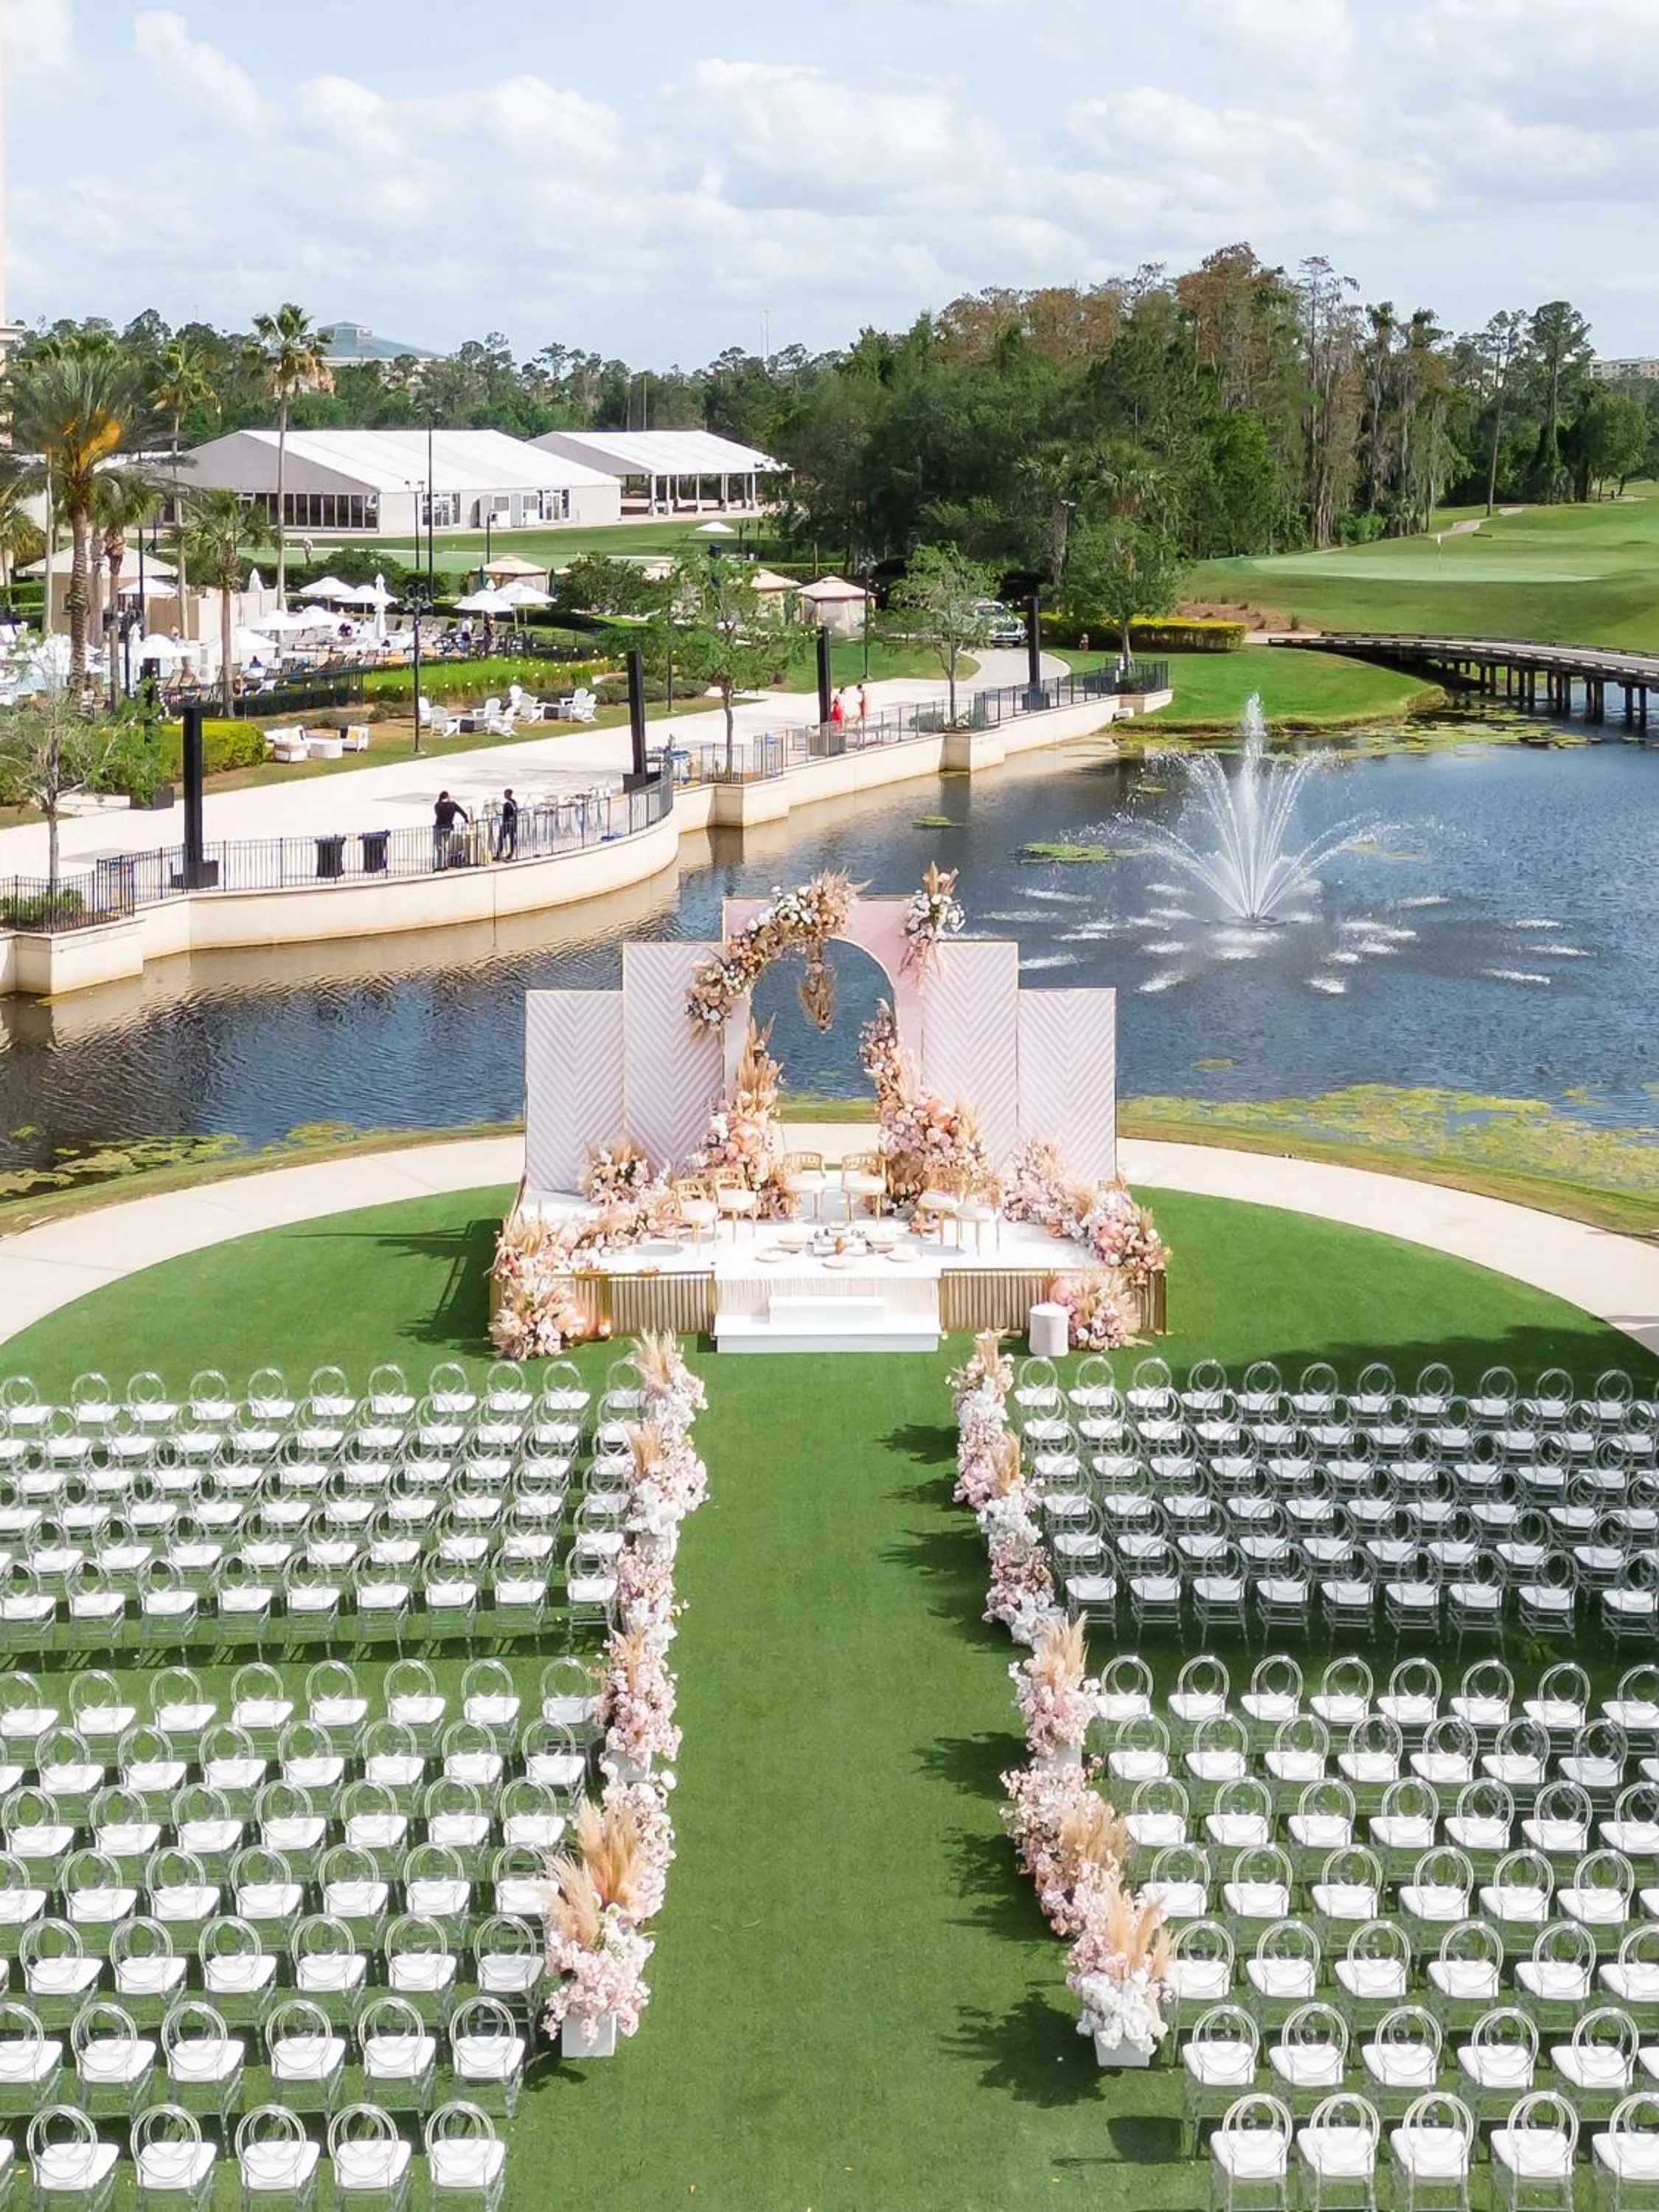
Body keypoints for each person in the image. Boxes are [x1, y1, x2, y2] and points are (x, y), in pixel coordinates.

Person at [433, 788, 469, 869]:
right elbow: (463, 812)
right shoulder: (453, 805)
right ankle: (445, 864)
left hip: (439, 827)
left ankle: (440, 865)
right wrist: (466, 819)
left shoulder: (438, 805)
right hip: (449, 827)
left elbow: (437, 813)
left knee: (439, 847)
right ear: (448, 797)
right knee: (446, 846)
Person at [495, 786, 519, 861]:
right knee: (511, 839)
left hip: (507, 824)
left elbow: (507, 814)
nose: (504, 795)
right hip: (513, 824)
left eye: (505, 793)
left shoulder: (507, 804)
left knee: (501, 838)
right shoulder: (514, 803)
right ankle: (511, 853)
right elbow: (515, 813)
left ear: (509, 794)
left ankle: (499, 853)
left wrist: (504, 819)